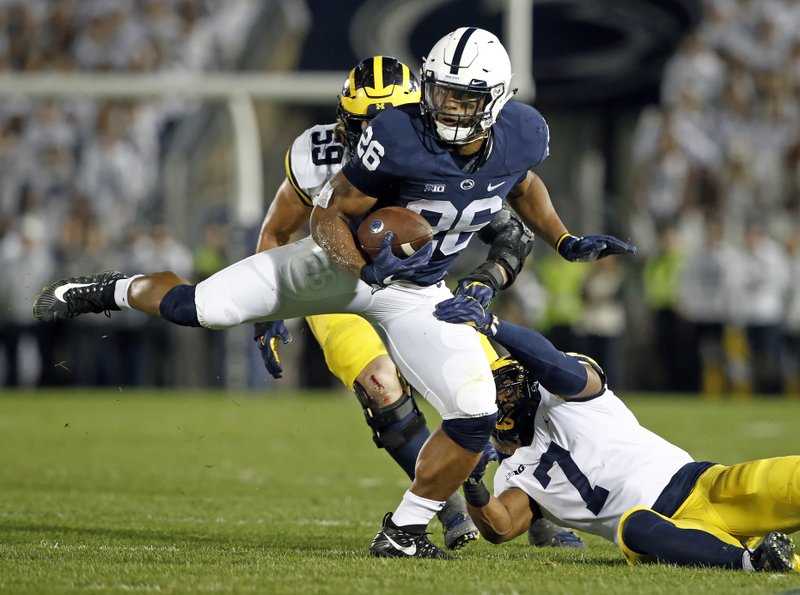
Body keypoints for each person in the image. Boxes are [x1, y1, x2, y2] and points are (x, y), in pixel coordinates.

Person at [32, 27, 634, 559]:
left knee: (476, 411)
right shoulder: (395, 135)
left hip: (416, 289)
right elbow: (326, 217)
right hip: (339, 266)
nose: (448, 107)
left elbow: (523, 185)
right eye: (442, 91)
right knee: (203, 308)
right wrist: (359, 267)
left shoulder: (522, 134)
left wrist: (564, 238)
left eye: (464, 97)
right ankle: (109, 289)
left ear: (495, 103)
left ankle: (404, 530)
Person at [252, 54, 583, 551]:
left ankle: (539, 510)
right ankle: (447, 509)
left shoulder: (442, 151)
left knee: (509, 389)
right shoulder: (318, 152)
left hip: (418, 289)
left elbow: (511, 234)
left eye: (382, 120)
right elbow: (278, 230)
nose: (371, 134)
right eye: (360, 121)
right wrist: (268, 308)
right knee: (382, 385)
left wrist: (483, 283)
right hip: (336, 287)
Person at [431, 294, 799, 572]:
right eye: (501, 397)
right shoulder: (514, 475)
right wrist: (474, 484)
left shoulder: (568, 394)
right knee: (633, 526)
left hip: (706, 484)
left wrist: (495, 326)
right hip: (662, 530)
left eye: (510, 392)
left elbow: (556, 366)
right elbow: (502, 527)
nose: (505, 400)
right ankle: (754, 562)